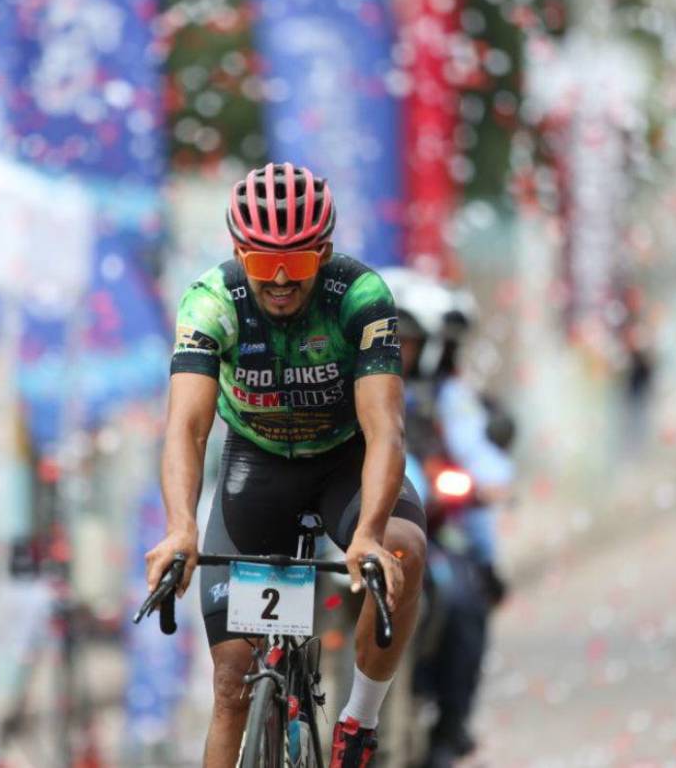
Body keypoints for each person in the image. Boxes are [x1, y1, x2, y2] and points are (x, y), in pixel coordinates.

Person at [145, 163, 427, 768]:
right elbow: (188, 428)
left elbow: (386, 428)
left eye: (295, 263)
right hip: (258, 466)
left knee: (405, 547)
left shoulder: (360, 296)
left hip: (343, 463)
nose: (277, 279)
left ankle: (360, 720)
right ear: (237, 251)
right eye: (260, 260)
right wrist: (180, 529)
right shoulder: (210, 301)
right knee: (231, 684)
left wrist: (371, 535)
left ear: (322, 253)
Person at [382, 268, 514, 764]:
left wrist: (488, 478)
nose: (392, 351)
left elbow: (476, 449)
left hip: (424, 536)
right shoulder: (338, 388)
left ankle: (449, 725)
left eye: (403, 341)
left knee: (462, 597)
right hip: (339, 538)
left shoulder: (443, 397)